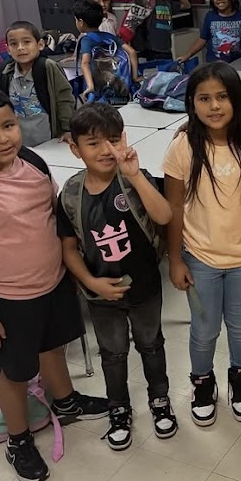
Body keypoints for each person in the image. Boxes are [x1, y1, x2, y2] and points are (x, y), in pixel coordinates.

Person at [0, 87, 109, 481]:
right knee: (14, 371)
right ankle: (18, 440)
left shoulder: (32, 162)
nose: (3, 138)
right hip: (6, 297)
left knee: (53, 346)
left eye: (9, 125)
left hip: (51, 283)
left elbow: (50, 220)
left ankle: (65, 401)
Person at [57, 104, 177, 451]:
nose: (105, 150)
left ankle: (159, 399)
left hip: (145, 288)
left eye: (113, 140)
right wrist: (91, 284)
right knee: (112, 353)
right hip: (100, 295)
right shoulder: (70, 194)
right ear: (75, 150)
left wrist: (137, 174)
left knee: (152, 345)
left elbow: (165, 215)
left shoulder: (134, 179)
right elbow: (68, 249)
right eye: (93, 143)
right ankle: (119, 407)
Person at [163, 62, 241, 427]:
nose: (214, 106)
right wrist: (175, 260)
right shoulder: (182, 146)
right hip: (200, 258)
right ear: (191, 103)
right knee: (205, 327)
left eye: (222, 97)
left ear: (237, 100)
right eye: (204, 98)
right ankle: (202, 382)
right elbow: (173, 206)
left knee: (240, 327)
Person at [0, 21, 75, 147]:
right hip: (19, 143)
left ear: (40, 44)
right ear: (8, 49)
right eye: (14, 44)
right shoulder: (3, 72)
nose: (20, 47)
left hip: (49, 140)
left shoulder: (47, 67)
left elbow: (63, 98)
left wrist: (67, 129)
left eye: (26, 42)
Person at [73, 0, 131, 102]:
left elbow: (85, 63)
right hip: (116, 83)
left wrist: (90, 86)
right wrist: (135, 77)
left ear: (81, 22)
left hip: (97, 87)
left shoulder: (86, 40)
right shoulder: (110, 37)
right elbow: (131, 52)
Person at [88, 0, 139, 85]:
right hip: (101, 52)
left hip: (114, 48)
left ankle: (134, 78)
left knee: (131, 53)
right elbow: (84, 38)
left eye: (105, 0)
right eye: (97, 2)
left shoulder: (112, 18)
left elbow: (116, 35)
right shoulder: (91, 21)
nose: (103, 4)